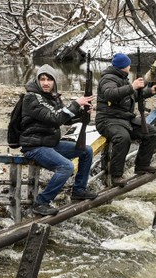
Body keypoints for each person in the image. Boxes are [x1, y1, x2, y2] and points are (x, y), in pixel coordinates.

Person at [19, 65, 97, 216]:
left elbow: (65, 119)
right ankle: (41, 202)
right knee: (66, 167)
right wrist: (75, 104)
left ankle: (79, 190)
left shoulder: (53, 97)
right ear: (37, 80)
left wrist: (82, 113)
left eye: (49, 79)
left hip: (50, 143)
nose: (46, 83)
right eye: (42, 79)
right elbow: (54, 118)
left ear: (54, 81)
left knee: (86, 150)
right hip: (35, 146)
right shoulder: (32, 97)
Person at [95, 53, 156, 186]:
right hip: (108, 120)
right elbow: (110, 94)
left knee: (151, 132)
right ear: (124, 66)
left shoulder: (121, 77)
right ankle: (116, 176)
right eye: (128, 65)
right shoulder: (108, 79)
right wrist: (132, 86)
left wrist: (149, 91)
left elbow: (130, 96)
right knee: (123, 138)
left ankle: (142, 165)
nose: (130, 67)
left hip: (124, 119)